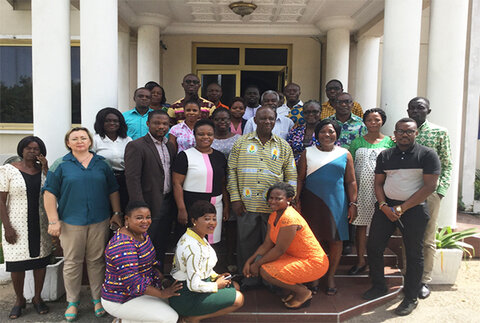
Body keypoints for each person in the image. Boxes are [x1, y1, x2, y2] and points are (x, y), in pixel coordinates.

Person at [43, 127, 122, 322]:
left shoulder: (101, 164)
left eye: (83, 138)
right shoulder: (60, 164)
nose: (80, 141)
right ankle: (72, 302)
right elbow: (49, 193)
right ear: (68, 143)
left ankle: (97, 299)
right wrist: (53, 220)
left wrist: (117, 213)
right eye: (75, 138)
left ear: (89, 142)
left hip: (99, 220)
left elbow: (113, 190)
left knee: (96, 261)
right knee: (72, 262)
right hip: (71, 222)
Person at [363, 118, 440, 316]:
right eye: (401, 131)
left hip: (413, 210)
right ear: (395, 134)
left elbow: (430, 186)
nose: (405, 134)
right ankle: (379, 286)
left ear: (416, 133)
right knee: (373, 246)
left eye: (409, 131)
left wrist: (402, 208)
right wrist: (383, 205)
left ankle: (411, 297)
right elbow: (378, 183)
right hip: (386, 208)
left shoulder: (427, 155)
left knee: (414, 254)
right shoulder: (386, 155)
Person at [227, 106, 297, 289]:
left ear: (275, 121)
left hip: (274, 209)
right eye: (263, 118)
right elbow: (231, 171)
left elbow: (291, 176)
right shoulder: (241, 143)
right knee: (246, 245)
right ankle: (249, 278)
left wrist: (288, 203)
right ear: (255, 120)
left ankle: (271, 280)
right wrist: (235, 198)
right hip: (247, 205)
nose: (267, 122)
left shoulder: (283, 146)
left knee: (274, 248)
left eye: (271, 119)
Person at [243, 182, 329, 309]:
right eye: (271, 198)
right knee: (263, 263)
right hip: (295, 257)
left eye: (278, 198)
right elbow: (267, 244)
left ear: (289, 199)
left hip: (313, 263)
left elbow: (279, 250)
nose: (273, 201)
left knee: (265, 271)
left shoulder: (289, 218)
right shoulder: (274, 216)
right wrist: (249, 262)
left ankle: (303, 292)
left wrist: (256, 265)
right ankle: (293, 290)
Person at [296, 119, 357, 295]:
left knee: (336, 239)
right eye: (323, 131)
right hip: (312, 201)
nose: (327, 135)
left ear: (337, 134)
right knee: (314, 239)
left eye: (331, 131)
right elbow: (300, 179)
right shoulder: (307, 153)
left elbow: (351, 181)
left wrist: (353, 203)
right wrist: (297, 200)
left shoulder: (345, 154)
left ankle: (330, 276)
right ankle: (315, 275)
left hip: (337, 202)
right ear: (317, 134)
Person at [101, 201, 182, 323]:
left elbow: (148, 263)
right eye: (139, 218)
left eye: (148, 217)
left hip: (140, 291)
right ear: (127, 219)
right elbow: (134, 282)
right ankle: (122, 318)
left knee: (170, 304)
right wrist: (161, 293)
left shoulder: (142, 233)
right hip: (121, 298)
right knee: (170, 318)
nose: (145, 221)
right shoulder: (123, 245)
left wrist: (161, 279)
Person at [407, 97, 452, 299]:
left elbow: (447, 163)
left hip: (431, 192)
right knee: (407, 235)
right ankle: (408, 276)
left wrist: (440, 190)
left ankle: (424, 280)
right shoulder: (402, 132)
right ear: (408, 111)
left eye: (420, 108)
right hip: (407, 191)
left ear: (428, 111)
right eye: (413, 108)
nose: (416, 111)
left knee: (427, 237)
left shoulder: (439, 132)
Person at [0, 136, 50, 319]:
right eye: (28, 148)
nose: (32, 151)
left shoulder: (43, 171)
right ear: (21, 150)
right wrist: (7, 227)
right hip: (16, 224)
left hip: (40, 222)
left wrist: (45, 167)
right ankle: (19, 300)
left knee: (40, 262)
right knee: (17, 265)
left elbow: (50, 193)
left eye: (36, 149)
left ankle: (37, 298)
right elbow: (1, 200)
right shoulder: (8, 170)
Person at [170, 200, 244, 322]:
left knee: (234, 286)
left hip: (195, 286)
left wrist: (216, 276)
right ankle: (192, 318)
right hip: (186, 296)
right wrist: (216, 285)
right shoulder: (193, 247)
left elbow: (203, 266)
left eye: (214, 219)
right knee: (239, 299)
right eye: (206, 219)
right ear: (194, 221)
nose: (212, 223)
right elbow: (194, 285)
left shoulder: (196, 236)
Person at [124, 110, 176, 266]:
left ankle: (157, 276)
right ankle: (143, 279)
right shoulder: (136, 146)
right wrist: (139, 207)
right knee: (145, 243)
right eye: (157, 123)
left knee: (162, 242)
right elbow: (133, 178)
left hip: (167, 202)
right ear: (148, 124)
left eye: (165, 124)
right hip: (148, 203)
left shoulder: (170, 146)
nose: (161, 126)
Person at [348, 108, 394, 275]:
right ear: (364, 122)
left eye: (377, 120)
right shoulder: (357, 142)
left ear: (383, 121)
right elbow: (351, 169)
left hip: (382, 191)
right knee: (360, 227)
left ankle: (376, 262)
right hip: (361, 191)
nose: (373, 123)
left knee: (379, 228)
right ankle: (360, 261)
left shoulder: (390, 142)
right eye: (369, 120)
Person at [172, 119, 227, 244]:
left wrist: (226, 206)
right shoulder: (185, 156)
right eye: (201, 134)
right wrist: (181, 209)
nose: (205, 137)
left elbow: (223, 183)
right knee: (190, 242)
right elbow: (177, 184)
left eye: (209, 134)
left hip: (215, 205)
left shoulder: (219, 157)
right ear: (194, 135)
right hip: (191, 206)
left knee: (211, 241)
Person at [93, 107, 132, 212]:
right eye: (108, 121)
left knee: (123, 208)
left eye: (115, 121)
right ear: (101, 122)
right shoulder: (94, 140)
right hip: (102, 180)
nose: (112, 123)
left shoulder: (127, 140)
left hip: (123, 180)